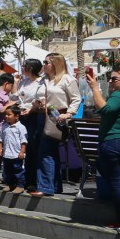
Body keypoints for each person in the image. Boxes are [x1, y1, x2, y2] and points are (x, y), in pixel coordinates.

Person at [29, 53, 80, 196]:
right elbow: (37, 96)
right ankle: (54, 185)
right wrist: (37, 103)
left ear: (56, 64)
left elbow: (76, 99)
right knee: (49, 152)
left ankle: (45, 186)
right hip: (41, 116)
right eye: (44, 62)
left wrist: (68, 113)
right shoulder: (43, 80)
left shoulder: (67, 79)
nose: (44, 65)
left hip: (55, 118)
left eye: (47, 62)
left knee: (45, 153)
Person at [86, 67, 120, 232]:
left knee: (117, 182)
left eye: (114, 79)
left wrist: (94, 88)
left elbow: (106, 109)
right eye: (110, 78)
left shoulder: (119, 94)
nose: (110, 81)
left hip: (113, 142)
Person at [12, 59, 45, 190]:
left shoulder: (40, 82)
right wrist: (15, 83)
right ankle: (21, 179)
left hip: (33, 116)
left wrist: (31, 110)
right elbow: (14, 97)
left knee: (31, 148)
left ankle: (33, 180)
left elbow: (39, 100)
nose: (22, 68)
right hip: (22, 115)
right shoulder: (23, 82)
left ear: (30, 68)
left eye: (24, 66)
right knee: (19, 146)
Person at [0, 104, 28, 193]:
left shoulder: (21, 127)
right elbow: (0, 138)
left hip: (16, 154)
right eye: (6, 115)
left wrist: (22, 152)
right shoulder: (4, 126)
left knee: (18, 170)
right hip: (7, 153)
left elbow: (24, 141)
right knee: (8, 170)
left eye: (9, 115)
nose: (6, 116)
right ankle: (10, 185)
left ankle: (20, 185)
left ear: (17, 116)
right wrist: (0, 149)